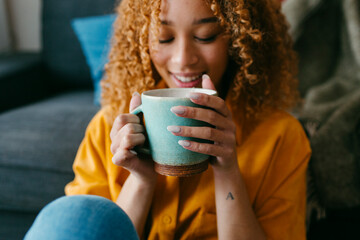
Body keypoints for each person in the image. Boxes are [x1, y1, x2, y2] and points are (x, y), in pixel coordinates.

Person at [25, 0, 311, 239]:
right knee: (68, 216)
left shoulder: (281, 136)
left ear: (239, 39)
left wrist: (228, 173)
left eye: (206, 36)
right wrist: (140, 179)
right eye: (164, 38)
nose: (183, 59)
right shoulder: (108, 126)